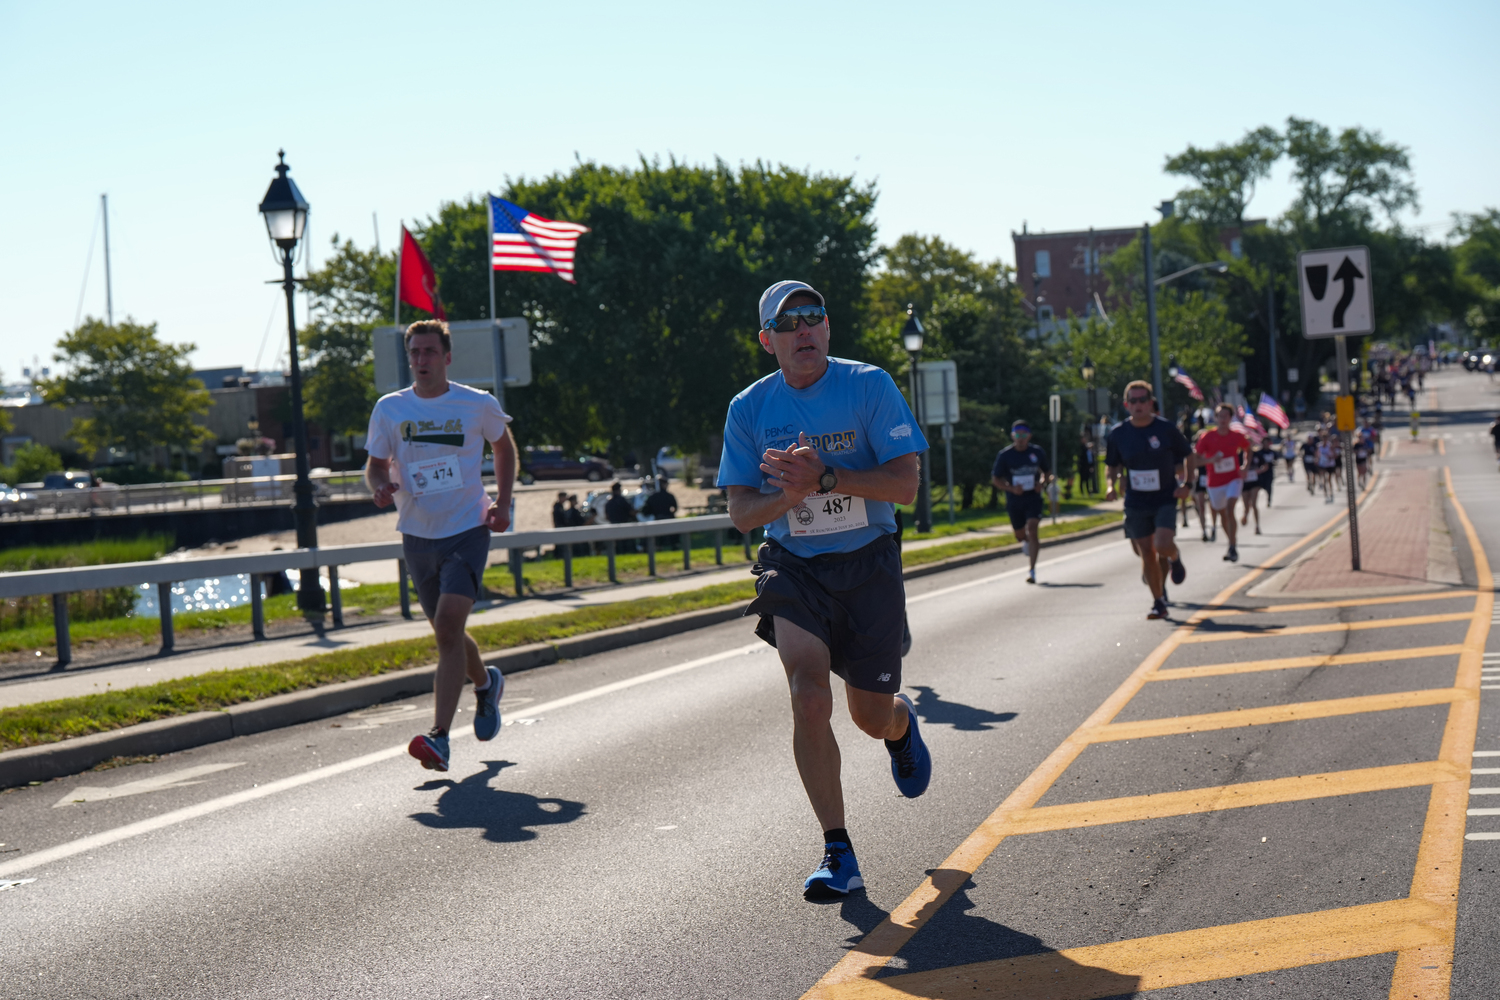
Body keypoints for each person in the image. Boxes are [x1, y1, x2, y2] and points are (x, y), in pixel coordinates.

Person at [719, 279, 931, 900]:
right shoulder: (748, 409)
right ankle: (838, 851)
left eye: (813, 317)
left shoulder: (869, 385)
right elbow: (741, 512)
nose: (803, 330)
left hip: (867, 562)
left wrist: (829, 475)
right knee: (808, 694)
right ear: (769, 342)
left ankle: (900, 726)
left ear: (828, 328)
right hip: (795, 563)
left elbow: (904, 487)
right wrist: (791, 495)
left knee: (868, 715)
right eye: (789, 324)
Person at [364, 319, 516, 773]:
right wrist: (379, 488)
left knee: (449, 625)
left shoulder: (476, 404)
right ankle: (486, 684)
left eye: (429, 351)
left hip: (468, 527)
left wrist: (504, 503)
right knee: (446, 632)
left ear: (447, 357)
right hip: (417, 534)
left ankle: (440, 738)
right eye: (414, 352)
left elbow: (504, 448)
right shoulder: (390, 409)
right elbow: (376, 465)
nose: (421, 360)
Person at [1105, 380, 1192, 620]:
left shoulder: (1165, 429)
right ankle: (1159, 601)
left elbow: (1188, 455)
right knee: (1146, 553)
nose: (1138, 405)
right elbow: (1111, 465)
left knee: (1162, 545)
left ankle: (1174, 558)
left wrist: (1188, 485)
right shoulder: (1119, 434)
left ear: (1151, 403)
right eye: (1133, 401)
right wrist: (1111, 485)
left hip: (1164, 497)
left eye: (1143, 400)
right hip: (1136, 501)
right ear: (1126, 405)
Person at [991, 419, 1051, 583]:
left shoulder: (1037, 452)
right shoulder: (1005, 455)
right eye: (1017, 434)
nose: (1021, 438)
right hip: (1014, 499)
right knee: (1019, 535)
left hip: (1033, 497)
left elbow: (1047, 472)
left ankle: (1032, 570)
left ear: (1029, 436)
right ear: (1012, 435)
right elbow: (996, 479)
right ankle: (1025, 541)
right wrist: (1011, 489)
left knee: (1032, 528)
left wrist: (1042, 483)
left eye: (1024, 434)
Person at [1195, 403, 1250, 562]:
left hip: (1234, 478)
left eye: (1226, 416)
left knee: (1230, 508)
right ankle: (1232, 542)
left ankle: (1232, 547)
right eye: (1220, 416)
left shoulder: (1236, 436)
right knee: (1222, 515)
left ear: (1230, 418)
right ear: (1215, 418)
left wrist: (1245, 466)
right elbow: (1196, 460)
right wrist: (1211, 460)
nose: (1223, 419)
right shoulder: (1207, 437)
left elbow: (1248, 448)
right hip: (1214, 483)